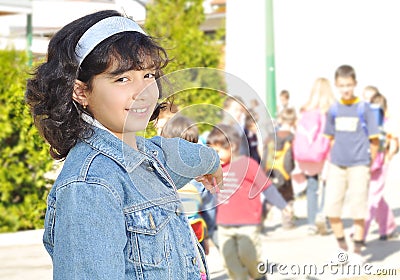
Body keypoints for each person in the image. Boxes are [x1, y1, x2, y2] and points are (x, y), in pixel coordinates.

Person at [25, 10, 224, 280]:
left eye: (148, 76)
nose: (142, 92)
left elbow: (171, 154)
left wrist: (210, 161)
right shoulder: (91, 186)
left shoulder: (144, 157)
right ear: (81, 91)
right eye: (122, 79)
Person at [206, 124, 290, 280]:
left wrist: (283, 206)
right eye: (212, 151)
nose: (214, 155)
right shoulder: (214, 169)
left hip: (248, 223)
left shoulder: (248, 164)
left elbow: (267, 187)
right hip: (224, 224)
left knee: (248, 255)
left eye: (217, 151)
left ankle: (259, 276)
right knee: (229, 261)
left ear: (233, 146)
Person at [323, 65, 380, 262]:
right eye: (341, 85)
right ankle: (342, 246)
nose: (345, 89)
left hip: (359, 165)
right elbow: (330, 137)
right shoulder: (333, 109)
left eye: (349, 85)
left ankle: (356, 251)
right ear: (336, 85)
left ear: (355, 84)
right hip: (337, 165)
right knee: (331, 209)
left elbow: (374, 139)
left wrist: (368, 162)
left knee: (358, 209)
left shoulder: (364, 108)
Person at [160, 114, 217, 254]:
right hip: (195, 232)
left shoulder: (159, 170)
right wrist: (208, 234)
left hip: (170, 236)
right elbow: (209, 208)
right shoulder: (200, 176)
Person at [292, 77, 335, 235]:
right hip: (325, 152)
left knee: (311, 186)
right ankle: (322, 214)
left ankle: (311, 223)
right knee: (327, 186)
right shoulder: (330, 110)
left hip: (307, 153)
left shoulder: (305, 110)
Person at [363, 89, 398, 242]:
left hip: (380, 164)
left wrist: (388, 158)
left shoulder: (387, 124)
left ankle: (360, 233)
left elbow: (394, 142)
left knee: (372, 198)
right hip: (369, 162)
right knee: (377, 196)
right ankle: (388, 226)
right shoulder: (368, 122)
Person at [266, 107, 297, 229]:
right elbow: (292, 156)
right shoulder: (291, 137)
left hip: (272, 170)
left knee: (271, 195)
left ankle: (260, 218)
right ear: (293, 121)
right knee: (288, 197)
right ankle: (288, 222)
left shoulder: (271, 135)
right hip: (285, 171)